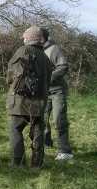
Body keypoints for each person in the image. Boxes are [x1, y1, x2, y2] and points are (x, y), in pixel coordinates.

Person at [6, 26, 52, 168]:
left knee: (16, 129)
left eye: (25, 37)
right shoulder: (45, 57)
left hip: (21, 101)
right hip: (39, 101)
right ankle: (37, 164)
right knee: (38, 132)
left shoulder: (22, 51)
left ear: (30, 39)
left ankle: (18, 163)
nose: (23, 39)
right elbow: (48, 79)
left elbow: (10, 75)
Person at [41, 28, 74, 160]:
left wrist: (48, 78)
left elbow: (63, 66)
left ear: (42, 37)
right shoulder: (36, 49)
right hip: (43, 91)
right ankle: (47, 142)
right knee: (42, 119)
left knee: (59, 119)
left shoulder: (54, 49)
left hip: (57, 91)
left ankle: (65, 151)